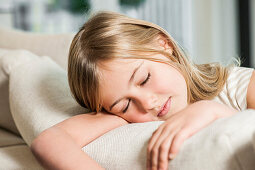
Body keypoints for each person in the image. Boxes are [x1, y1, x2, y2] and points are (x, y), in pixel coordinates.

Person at [30, 11, 255, 170]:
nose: (147, 103)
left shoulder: (238, 85)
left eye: (144, 79)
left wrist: (212, 111)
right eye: (125, 104)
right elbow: (49, 141)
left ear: (163, 45)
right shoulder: (125, 117)